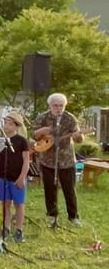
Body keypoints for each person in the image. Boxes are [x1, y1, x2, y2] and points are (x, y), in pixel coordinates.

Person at [32, 93, 84, 227]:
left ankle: (73, 217)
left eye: (61, 105)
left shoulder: (70, 118)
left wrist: (78, 136)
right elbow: (34, 136)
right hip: (47, 160)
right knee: (49, 188)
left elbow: (79, 138)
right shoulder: (42, 118)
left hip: (66, 160)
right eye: (55, 105)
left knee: (69, 189)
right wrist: (42, 130)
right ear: (50, 105)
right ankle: (51, 214)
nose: (58, 108)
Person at [0, 111, 30, 242]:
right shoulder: (0, 140)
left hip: (17, 177)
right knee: (5, 204)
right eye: (5, 123)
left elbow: (26, 161)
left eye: (10, 124)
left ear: (16, 126)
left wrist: (22, 177)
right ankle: (6, 227)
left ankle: (19, 229)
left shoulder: (22, 141)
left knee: (19, 204)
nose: (6, 126)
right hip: (3, 177)